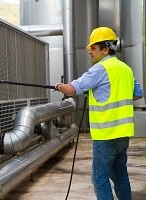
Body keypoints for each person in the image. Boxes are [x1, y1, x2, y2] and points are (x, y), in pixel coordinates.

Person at [55, 27, 143, 200]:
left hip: (105, 135)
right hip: (123, 134)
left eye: (93, 47)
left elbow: (72, 89)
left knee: (99, 177)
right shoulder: (126, 69)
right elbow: (138, 93)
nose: (89, 51)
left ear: (106, 48)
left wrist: (58, 86)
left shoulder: (100, 69)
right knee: (120, 175)